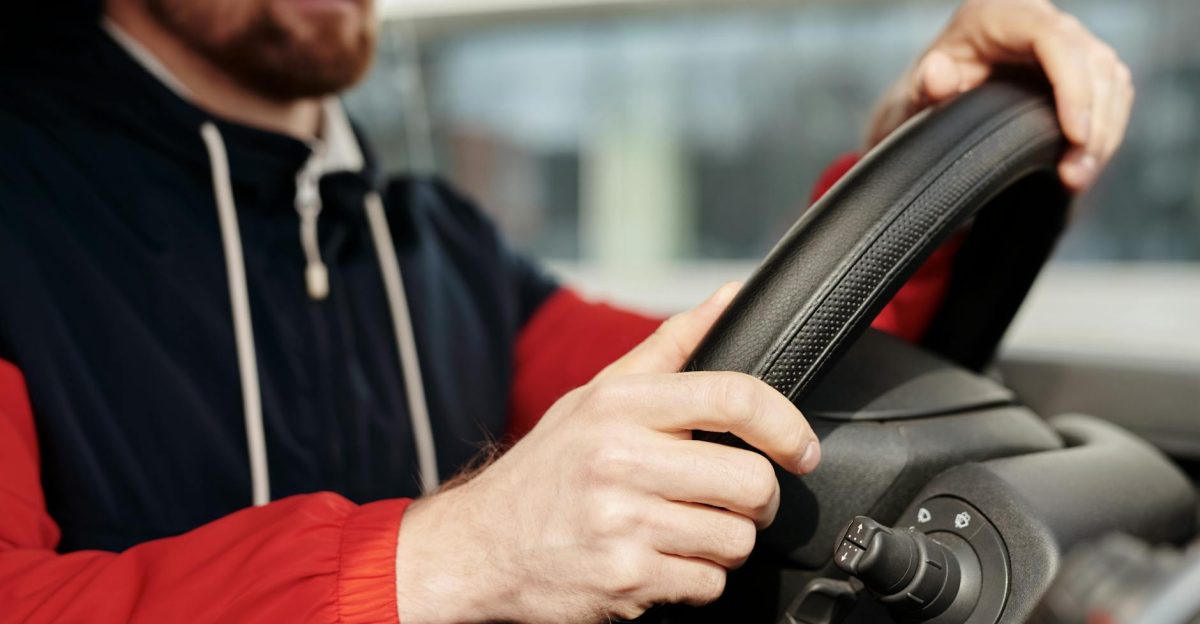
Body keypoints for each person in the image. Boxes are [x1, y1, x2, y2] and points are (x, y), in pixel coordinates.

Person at [0, 0, 1132, 621]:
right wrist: (447, 556)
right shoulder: (26, 209)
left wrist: (912, 167)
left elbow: (758, 397)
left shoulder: (441, 241)